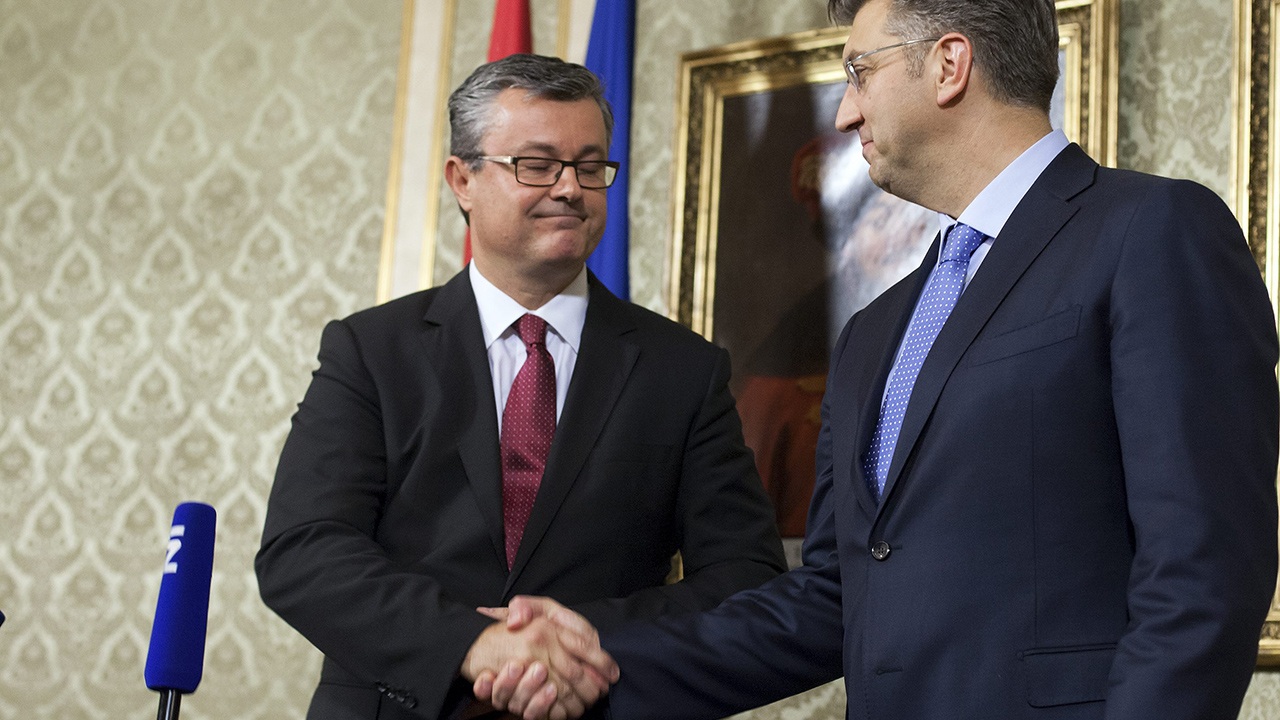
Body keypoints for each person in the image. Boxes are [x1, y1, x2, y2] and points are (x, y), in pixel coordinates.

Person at [474, 1, 1280, 718]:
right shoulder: (875, 329)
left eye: (859, 72)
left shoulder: (1152, 232)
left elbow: (1201, 574)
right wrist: (597, 656)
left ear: (950, 63)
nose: (846, 108)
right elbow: (835, 598)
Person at [255, 53, 786, 720]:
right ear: (463, 179)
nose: (569, 189)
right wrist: (472, 643)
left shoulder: (683, 368)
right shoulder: (370, 350)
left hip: (599, 703)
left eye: (589, 167)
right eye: (536, 165)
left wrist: (575, 638)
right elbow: (303, 551)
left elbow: (745, 577)